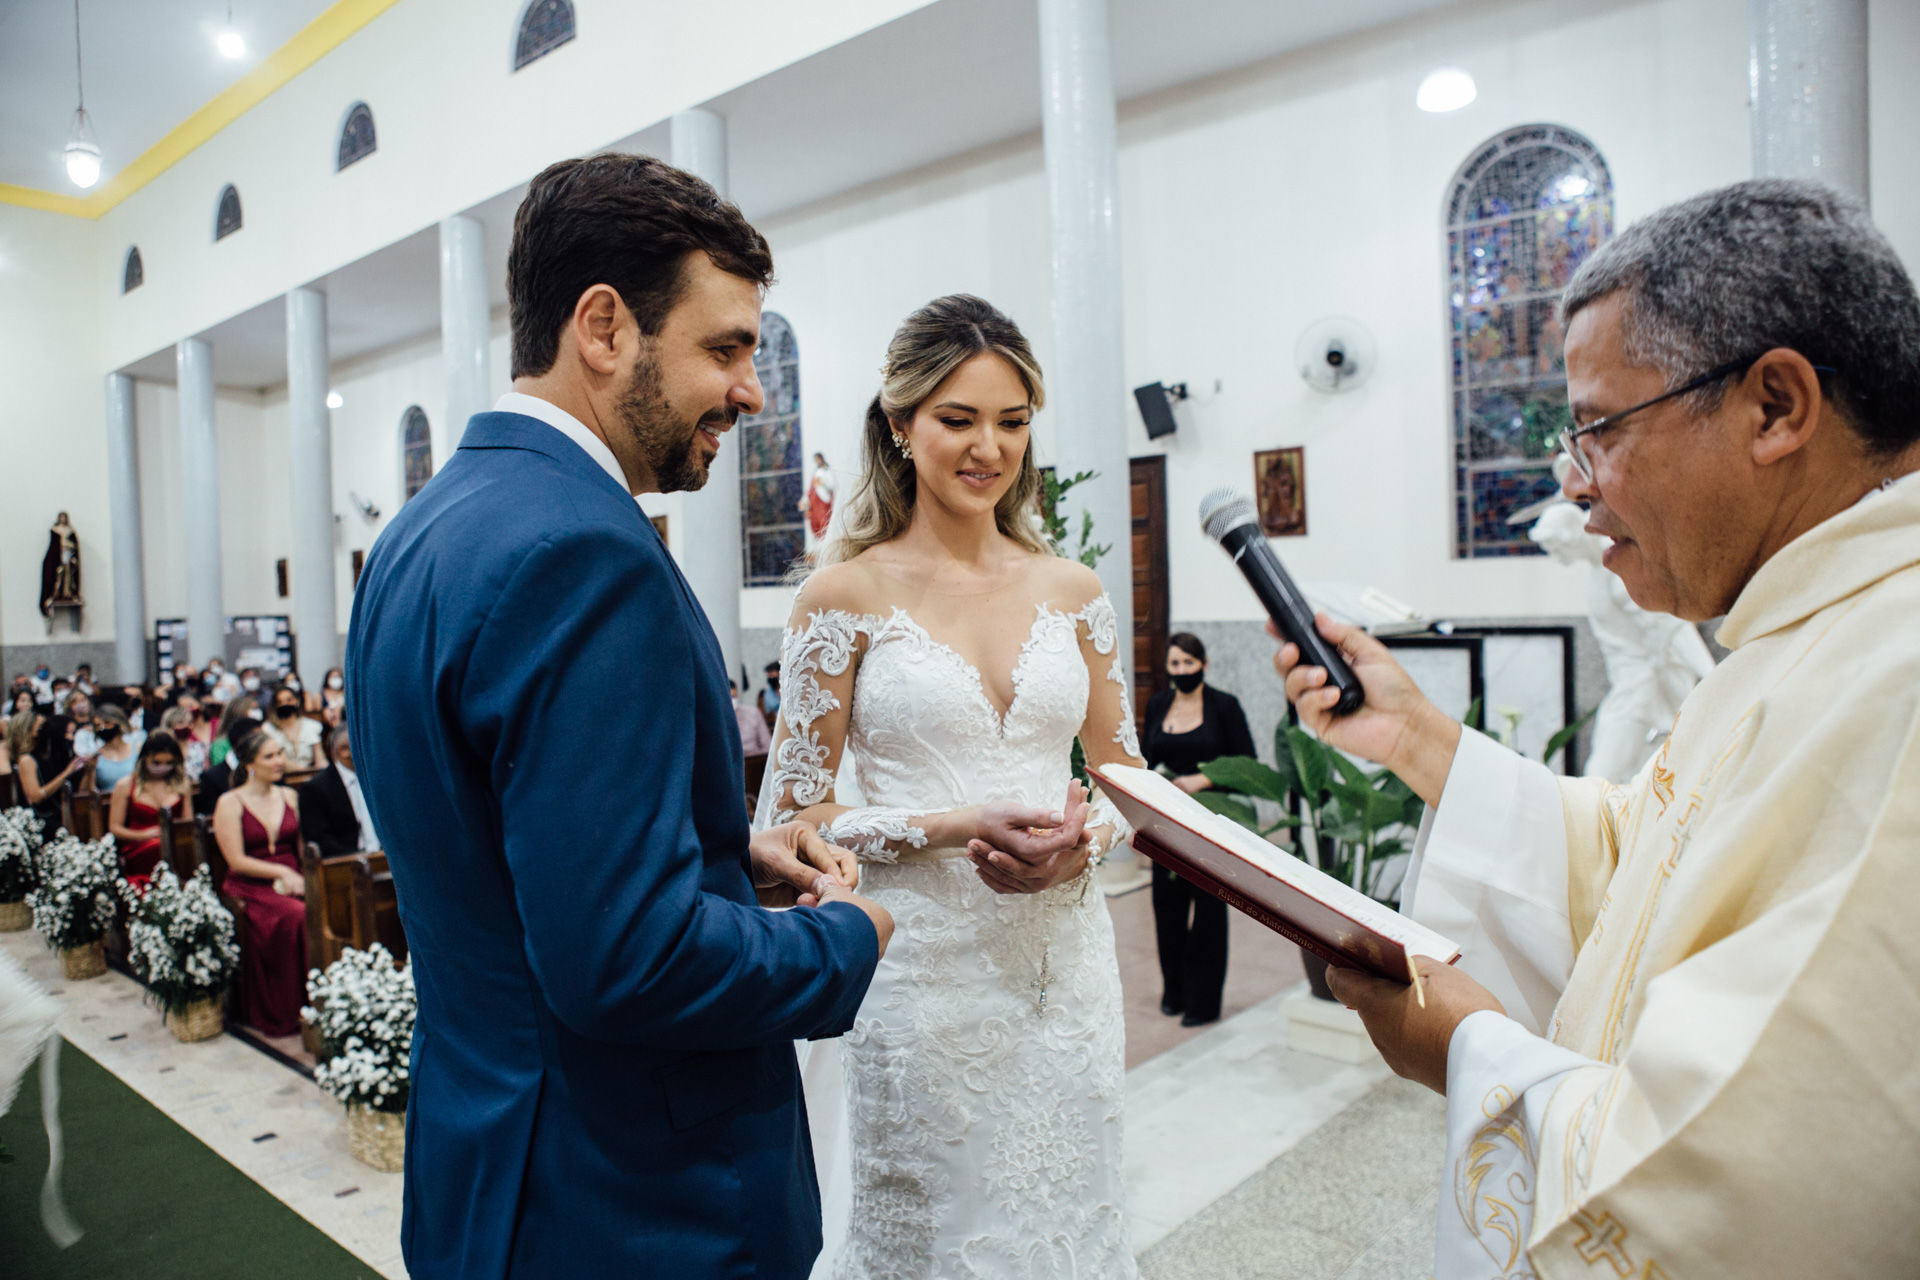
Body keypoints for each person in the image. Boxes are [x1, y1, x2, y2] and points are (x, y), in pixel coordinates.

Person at [1275, 179, 1920, 1278]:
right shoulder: (1799, 631)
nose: (1576, 488)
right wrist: (1419, 739)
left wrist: (1466, 1045)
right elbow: (1651, 859)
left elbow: (1741, 1182)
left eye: (1601, 430)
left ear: (1775, 407)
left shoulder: (1895, 677)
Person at [348, 153, 893, 1279]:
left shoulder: (421, 530)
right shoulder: (585, 552)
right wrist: (844, 939)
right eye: (725, 348)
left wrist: (719, 852)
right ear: (603, 327)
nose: (751, 391)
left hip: (486, 1173)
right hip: (636, 1203)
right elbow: (629, 959)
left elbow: (498, 847)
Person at [758, 294, 1144, 1277]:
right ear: (901, 422)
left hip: (1063, 971)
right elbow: (794, 818)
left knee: (1073, 1218)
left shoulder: (1074, 591)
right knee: (937, 1235)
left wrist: (1086, 843)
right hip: (921, 972)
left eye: (1012, 421)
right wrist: (951, 823)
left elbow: (1128, 779)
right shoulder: (841, 596)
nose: (990, 448)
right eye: (959, 419)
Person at [1139, 632, 1255, 1026]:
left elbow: (1246, 762)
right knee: (1167, 910)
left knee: (1208, 913)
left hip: (1210, 826)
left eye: (1189, 663)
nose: (1182, 670)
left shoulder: (1225, 706)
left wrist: (1199, 781)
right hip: (1166, 826)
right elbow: (1145, 759)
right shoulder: (1158, 704)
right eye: (1175, 664)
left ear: (1203, 664)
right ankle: (1174, 991)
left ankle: (1202, 1003)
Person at [210, 731, 307, 1037]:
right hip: (251, 884)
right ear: (249, 764)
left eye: (280, 753)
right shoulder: (230, 802)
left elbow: (303, 850)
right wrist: (280, 873)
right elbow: (236, 860)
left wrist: (305, 878)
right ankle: (288, 1008)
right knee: (295, 915)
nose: (279, 761)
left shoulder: (290, 796)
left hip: (294, 879)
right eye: (270, 756)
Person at [108, 731, 191, 890]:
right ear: (145, 758)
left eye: (169, 763)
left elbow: (187, 824)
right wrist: (144, 835)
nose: (163, 767)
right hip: (138, 846)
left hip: (173, 844)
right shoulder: (125, 785)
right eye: (156, 763)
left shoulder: (182, 784)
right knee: (159, 846)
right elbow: (115, 827)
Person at [299, 724, 380, 857]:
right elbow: (320, 839)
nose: (353, 752)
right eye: (345, 748)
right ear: (337, 751)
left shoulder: (378, 778)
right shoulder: (315, 789)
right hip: (346, 861)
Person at [8, 711, 91, 831]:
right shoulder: (27, 760)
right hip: (42, 823)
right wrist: (67, 773)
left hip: (57, 816)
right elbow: (35, 797)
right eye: (41, 727)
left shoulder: (47, 756)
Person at [262, 684, 322, 769]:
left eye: (289, 700)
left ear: (297, 701)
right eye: (280, 702)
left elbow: (320, 759)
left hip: (311, 772)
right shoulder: (268, 729)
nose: (285, 704)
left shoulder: (311, 725)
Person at [87, 705, 143, 794]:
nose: (102, 728)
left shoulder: (138, 749)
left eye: (107, 723)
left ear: (119, 723)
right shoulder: (95, 757)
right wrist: (91, 771)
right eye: (98, 725)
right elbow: (87, 793)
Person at [730, 678, 771, 756]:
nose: (732, 701)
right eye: (729, 698)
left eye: (733, 697)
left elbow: (767, 745)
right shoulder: (717, 720)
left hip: (755, 758)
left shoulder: (753, 712)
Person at [757, 659, 781, 727]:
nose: (770, 676)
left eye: (772, 672)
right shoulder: (765, 694)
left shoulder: (789, 692)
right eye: (768, 674)